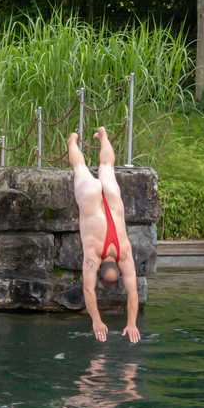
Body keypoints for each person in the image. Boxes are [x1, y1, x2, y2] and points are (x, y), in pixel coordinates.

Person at [67, 127, 141, 344]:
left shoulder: (124, 254)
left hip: (111, 198)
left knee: (107, 167)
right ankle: (72, 141)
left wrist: (132, 322)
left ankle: (103, 135)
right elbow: (88, 290)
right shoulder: (94, 255)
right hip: (89, 199)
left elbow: (133, 295)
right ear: (100, 269)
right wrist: (97, 321)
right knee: (79, 167)